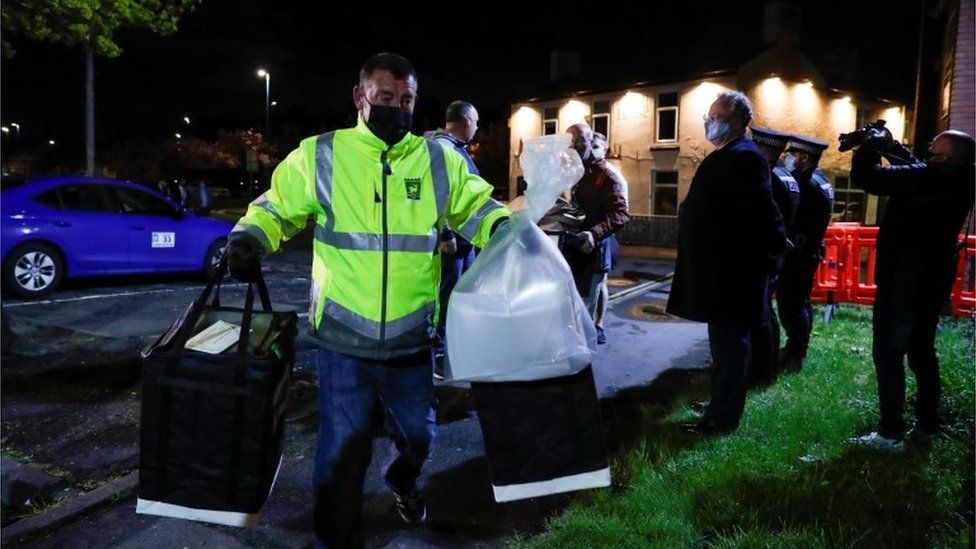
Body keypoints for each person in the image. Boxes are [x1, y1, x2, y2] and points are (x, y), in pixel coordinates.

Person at [224, 52, 510, 547]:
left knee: (420, 438)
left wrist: (507, 231)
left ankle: (402, 479)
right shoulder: (321, 154)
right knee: (340, 453)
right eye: (385, 98)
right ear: (360, 98)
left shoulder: (438, 159)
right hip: (342, 338)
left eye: (406, 100)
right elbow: (276, 208)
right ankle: (334, 541)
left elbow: (477, 206)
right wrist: (248, 237)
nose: (397, 109)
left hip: (411, 339)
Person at [666, 91, 786, 435]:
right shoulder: (729, 154)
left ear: (736, 123)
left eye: (716, 116)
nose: (709, 121)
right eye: (710, 114)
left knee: (730, 349)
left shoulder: (744, 157)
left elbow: (760, 213)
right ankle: (720, 403)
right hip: (722, 273)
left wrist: (768, 255)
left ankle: (722, 420)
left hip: (733, 275)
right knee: (723, 348)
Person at [848, 129, 975, 450]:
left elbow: (868, 177)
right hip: (933, 280)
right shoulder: (963, 179)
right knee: (921, 352)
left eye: (934, 147)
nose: (927, 149)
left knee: (888, 353)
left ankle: (890, 431)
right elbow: (917, 169)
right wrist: (892, 148)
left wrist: (871, 146)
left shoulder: (925, 177)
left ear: (943, 157)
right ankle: (927, 424)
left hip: (902, 279)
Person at [423, 100, 480, 379]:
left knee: (459, 298)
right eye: (477, 122)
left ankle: (451, 352)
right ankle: (436, 356)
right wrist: (445, 232)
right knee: (446, 299)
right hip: (453, 242)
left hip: (465, 239)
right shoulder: (444, 148)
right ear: (467, 120)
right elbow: (438, 192)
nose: (477, 128)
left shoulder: (456, 148)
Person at [566, 122, 630, 345]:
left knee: (587, 301)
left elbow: (620, 214)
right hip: (575, 245)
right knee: (572, 302)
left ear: (589, 142)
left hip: (595, 246)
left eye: (579, 141)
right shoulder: (572, 170)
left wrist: (595, 233)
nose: (573, 146)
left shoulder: (606, 175)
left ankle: (587, 347)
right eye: (570, 141)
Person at [748, 126, 800, 385]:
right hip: (775, 255)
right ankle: (766, 370)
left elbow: (764, 218)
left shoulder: (769, 176)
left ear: (764, 148)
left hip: (762, 255)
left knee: (760, 318)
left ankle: (760, 372)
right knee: (767, 314)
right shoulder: (786, 175)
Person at [776, 135, 833, 372]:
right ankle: (797, 349)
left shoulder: (805, 184)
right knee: (801, 302)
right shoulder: (822, 179)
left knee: (791, 305)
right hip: (809, 251)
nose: (789, 158)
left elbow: (794, 218)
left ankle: (794, 355)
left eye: (793, 154)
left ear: (803, 158)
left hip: (798, 254)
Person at [588, 131, 624, 344]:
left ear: (605, 149)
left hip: (604, 236)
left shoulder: (611, 175)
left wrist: (602, 232)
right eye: (589, 145)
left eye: (596, 146)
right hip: (588, 235)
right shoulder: (583, 171)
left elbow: (621, 211)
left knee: (600, 284)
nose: (591, 150)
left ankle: (598, 325)